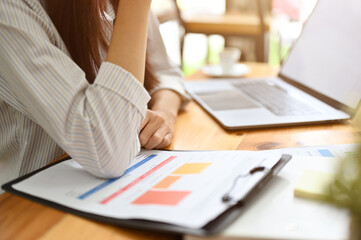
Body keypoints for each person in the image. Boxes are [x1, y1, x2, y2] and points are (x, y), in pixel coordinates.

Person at [0, 0, 189, 189]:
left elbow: (166, 73)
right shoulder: (11, 8)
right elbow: (109, 153)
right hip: (32, 201)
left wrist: (165, 114)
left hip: (124, 182)